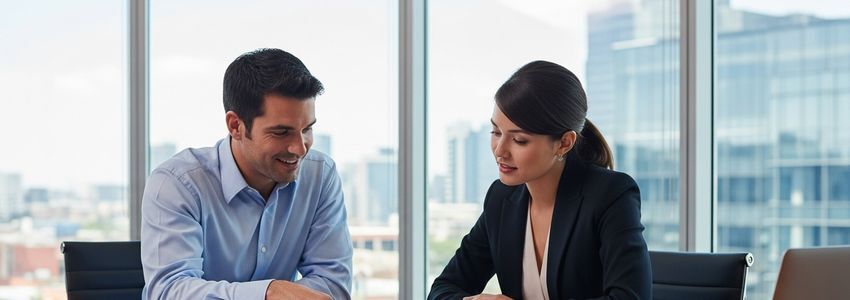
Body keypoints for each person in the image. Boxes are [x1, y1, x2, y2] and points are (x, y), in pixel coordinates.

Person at [429, 61, 651, 300]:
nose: (500, 150)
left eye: (520, 140)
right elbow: (443, 288)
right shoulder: (501, 197)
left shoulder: (610, 194)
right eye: (496, 132)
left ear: (564, 143)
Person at [141, 48, 352, 300]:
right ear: (236, 126)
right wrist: (267, 292)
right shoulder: (177, 184)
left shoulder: (320, 175)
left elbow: (333, 284)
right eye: (281, 132)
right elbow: (169, 291)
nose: (299, 148)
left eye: (307, 129)